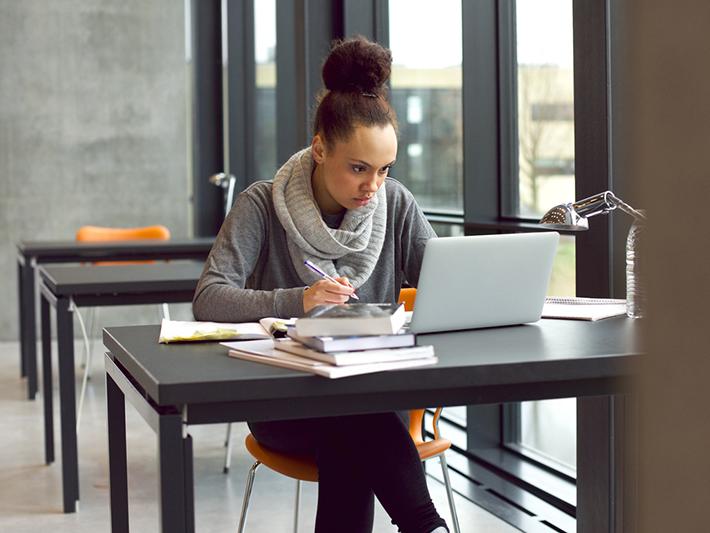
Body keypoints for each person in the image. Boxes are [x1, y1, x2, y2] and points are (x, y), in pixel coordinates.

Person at [193, 36, 449, 533]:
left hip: (373, 398)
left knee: (351, 419)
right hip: (286, 405)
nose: (372, 186)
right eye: (358, 168)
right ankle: (425, 525)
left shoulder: (395, 204)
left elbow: (445, 283)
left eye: (383, 170)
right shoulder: (260, 205)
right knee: (352, 419)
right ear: (319, 148)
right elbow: (209, 298)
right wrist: (300, 300)